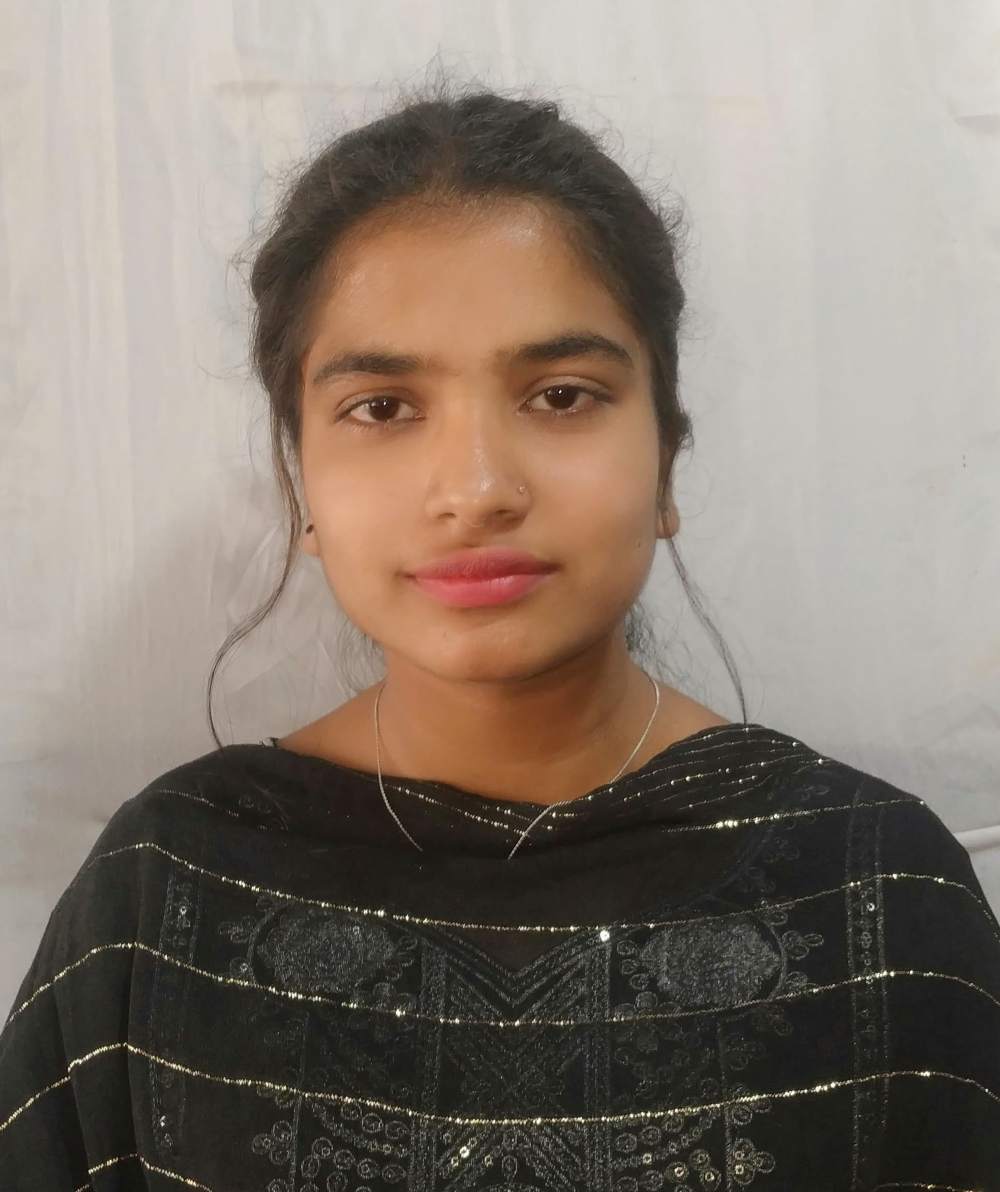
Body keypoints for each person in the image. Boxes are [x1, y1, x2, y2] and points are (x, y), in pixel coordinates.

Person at [2, 77, 998, 1192]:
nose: (475, 489)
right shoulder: (167, 888)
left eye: (561, 395)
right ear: (302, 485)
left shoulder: (874, 888)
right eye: (383, 407)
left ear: (666, 459)